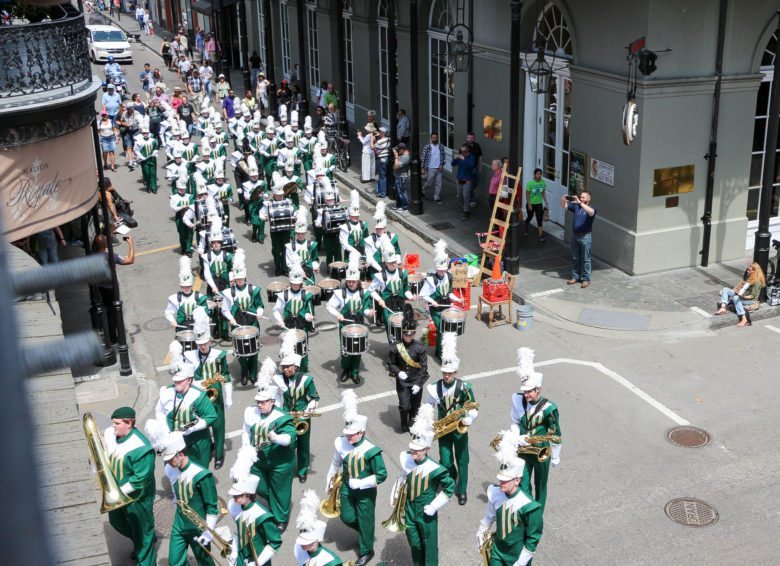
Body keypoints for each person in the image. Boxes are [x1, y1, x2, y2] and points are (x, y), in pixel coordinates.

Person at [325, 391, 387, 566]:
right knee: (346, 516)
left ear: (362, 432)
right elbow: (336, 461)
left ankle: (367, 550)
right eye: (347, 433)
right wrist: (329, 478)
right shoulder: (342, 442)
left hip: (365, 492)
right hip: (345, 487)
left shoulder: (371, 451)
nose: (348, 436)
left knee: (365, 518)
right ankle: (366, 533)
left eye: (352, 433)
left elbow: (382, 475)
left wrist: (361, 483)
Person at [391, 405, 454, 566]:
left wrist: (434, 506)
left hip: (426, 512)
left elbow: (449, 488)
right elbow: (404, 476)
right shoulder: (407, 459)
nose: (413, 453)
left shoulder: (436, 469)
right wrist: (396, 494)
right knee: (415, 544)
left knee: (429, 546)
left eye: (417, 451)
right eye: (412, 449)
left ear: (426, 449)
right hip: (409, 509)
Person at [476, 429, 543, 566]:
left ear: (517, 480)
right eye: (500, 479)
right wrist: (481, 532)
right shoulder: (495, 493)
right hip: (497, 552)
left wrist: (520, 563)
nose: (501, 482)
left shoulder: (529, 506)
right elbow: (489, 516)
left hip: (517, 557)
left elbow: (532, 540)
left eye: (506, 480)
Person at [243, 363, 297, 531]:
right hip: (258, 460)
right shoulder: (251, 412)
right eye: (258, 401)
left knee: (280, 490)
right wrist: (246, 448)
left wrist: (276, 438)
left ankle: (281, 519)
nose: (259, 405)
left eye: (263, 402)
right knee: (259, 486)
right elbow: (246, 430)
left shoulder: (282, 417)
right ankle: (274, 502)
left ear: (272, 402)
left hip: (280, 462)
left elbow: (289, 438)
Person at [426, 333, 478, 507]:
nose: (446, 376)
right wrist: (426, 422)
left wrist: (468, 419)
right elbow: (428, 406)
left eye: (450, 373)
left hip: (459, 428)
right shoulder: (435, 387)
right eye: (444, 372)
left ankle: (462, 490)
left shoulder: (464, 387)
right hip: (443, 430)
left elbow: (472, 407)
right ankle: (451, 477)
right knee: (446, 461)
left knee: (463, 461)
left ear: (455, 372)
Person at [156, 430, 220, 566]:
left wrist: (209, 532)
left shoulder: (202, 475)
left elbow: (212, 506)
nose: (168, 463)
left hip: (198, 526)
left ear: (181, 454)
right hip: (179, 524)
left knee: (205, 562)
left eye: (170, 459)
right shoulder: (170, 469)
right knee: (174, 562)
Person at [102, 406, 157, 566]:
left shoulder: (141, 448)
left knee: (142, 532)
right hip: (117, 493)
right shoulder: (112, 434)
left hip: (138, 498)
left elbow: (138, 481)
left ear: (129, 423)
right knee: (117, 522)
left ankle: (145, 557)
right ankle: (142, 542)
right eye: (113, 423)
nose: (113, 426)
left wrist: (116, 494)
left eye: (117, 423)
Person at [510, 348, 562, 513]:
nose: (526, 394)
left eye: (529, 391)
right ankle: (527, 511)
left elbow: (555, 433)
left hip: (541, 451)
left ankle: (537, 514)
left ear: (538, 389)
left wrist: (555, 455)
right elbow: (514, 422)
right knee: (523, 483)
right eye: (525, 391)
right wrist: (517, 435)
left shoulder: (549, 408)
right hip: (523, 450)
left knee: (541, 485)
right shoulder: (518, 400)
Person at [183, 308, 232, 470]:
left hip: (216, 398)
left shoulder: (219, 356)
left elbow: (226, 376)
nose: (202, 347)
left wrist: (229, 397)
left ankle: (219, 455)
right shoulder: (190, 356)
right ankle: (208, 448)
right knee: (201, 426)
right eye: (199, 344)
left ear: (210, 341)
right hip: (199, 397)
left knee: (218, 427)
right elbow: (187, 378)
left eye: (205, 343)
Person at [154, 358, 217, 469]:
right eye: (175, 380)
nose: (176, 382)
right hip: (174, 440)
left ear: (189, 380)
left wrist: (192, 428)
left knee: (198, 471)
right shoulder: (166, 392)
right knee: (175, 471)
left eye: (180, 380)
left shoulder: (198, 396)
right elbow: (160, 411)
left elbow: (211, 416)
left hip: (197, 441)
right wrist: (165, 430)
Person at [273, 333, 320, 483]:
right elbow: (276, 398)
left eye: (288, 367)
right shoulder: (278, 380)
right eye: (283, 367)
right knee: (286, 444)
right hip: (286, 416)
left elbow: (314, 398)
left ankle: (302, 470)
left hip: (302, 416)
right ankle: (286, 469)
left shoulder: (307, 380)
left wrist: (309, 409)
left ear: (295, 366)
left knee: (303, 444)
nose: (285, 369)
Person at [327, 252, 374, 385]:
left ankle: (354, 372)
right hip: (344, 325)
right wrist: (337, 315)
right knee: (345, 351)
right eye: (349, 281)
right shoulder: (340, 293)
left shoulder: (362, 293)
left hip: (359, 324)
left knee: (357, 350)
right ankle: (346, 370)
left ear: (358, 281)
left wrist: (368, 312)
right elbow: (329, 306)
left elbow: (364, 308)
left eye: (354, 281)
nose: (351, 284)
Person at [220, 251, 264, 385]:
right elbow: (224, 309)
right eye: (237, 279)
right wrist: (231, 319)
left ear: (245, 278)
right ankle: (243, 372)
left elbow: (259, 304)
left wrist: (259, 312)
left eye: (241, 279)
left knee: (253, 351)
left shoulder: (253, 290)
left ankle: (253, 373)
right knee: (240, 352)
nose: (239, 281)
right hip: (237, 324)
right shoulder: (229, 293)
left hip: (252, 323)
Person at [388, 304, 428, 432]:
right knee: (405, 406)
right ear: (402, 333)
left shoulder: (420, 347)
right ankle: (403, 421)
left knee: (415, 407)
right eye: (406, 334)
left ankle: (412, 422)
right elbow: (391, 364)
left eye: (410, 335)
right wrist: (398, 373)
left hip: (416, 380)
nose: (408, 337)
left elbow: (423, 367)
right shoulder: (395, 347)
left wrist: (418, 383)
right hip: (403, 382)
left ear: (414, 334)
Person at [226, 473, 282, 565]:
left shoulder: (262, 515)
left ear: (247, 495)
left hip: (258, 559)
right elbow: (238, 532)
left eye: (237, 495)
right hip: (242, 558)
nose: (233, 498)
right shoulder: (237, 508)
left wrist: (257, 563)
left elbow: (275, 542)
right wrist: (234, 552)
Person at [272, 261, 315, 372]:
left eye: (297, 284)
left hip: (302, 325)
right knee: (289, 349)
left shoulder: (306, 295)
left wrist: (308, 317)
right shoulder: (284, 295)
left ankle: (303, 371)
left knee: (302, 349)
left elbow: (306, 311)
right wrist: (280, 320)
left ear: (301, 284)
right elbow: (276, 310)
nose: (295, 286)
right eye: (293, 283)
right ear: (290, 283)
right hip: (289, 324)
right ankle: (290, 372)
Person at [370, 241, 413, 344]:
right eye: (391, 263)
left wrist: (410, 296)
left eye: (395, 262)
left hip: (401, 304)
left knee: (403, 329)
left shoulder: (402, 273)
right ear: (386, 263)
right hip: (387, 306)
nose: (394, 264)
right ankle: (393, 352)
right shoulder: (381, 276)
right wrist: (379, 299)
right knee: (392, 332)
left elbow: (406, 289)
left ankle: (403, 352)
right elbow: (371, 290)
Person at [293, 490, 344, 565]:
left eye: (308, 542)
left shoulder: (331, 562)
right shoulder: (299, 547)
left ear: (318, 540)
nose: (303, 544)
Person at [560, 190, 597, 288]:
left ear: (588, 199)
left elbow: (591, 212)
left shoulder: (592, 208)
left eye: (583, 197)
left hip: (585, 237)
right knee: (576, 257)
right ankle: (575, 277)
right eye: (580, 197)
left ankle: (586, 279)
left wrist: (579, 202)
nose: (581, 199)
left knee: (586, 259)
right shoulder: (576, 207)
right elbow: (565, 206)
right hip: (575, 235)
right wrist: (563, 200)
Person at [261, 180, 297, 275]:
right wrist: (264, 217)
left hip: (286, 229)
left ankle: (285, 268)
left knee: (286, 248)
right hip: (275, 230)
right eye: (278, 195)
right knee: (276, 249)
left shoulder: (288, 202)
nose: (280, 196)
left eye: (281, 194)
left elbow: (294, 211)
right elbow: (262, 213)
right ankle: (278, 267)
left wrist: (295, 216)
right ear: (274, 194)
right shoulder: (268, 204)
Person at [715, 262, 765, 327]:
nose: (747, 271)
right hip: (742, 295)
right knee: (725, 289)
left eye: (750, 270)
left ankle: (744, 319)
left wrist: (744, 296)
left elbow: (753, 296)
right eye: (748, 269)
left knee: (736, 298)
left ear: (755, 271)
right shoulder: (749, 277)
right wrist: (738, 291)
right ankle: (723, 308)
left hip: (751, 300)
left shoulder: (757, 282)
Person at [164, 257, 209, 329]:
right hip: (181, 327)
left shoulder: (199, 297)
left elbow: (206, 312)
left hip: (197, 327)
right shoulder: (175, 298)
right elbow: (168, 312)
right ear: (180, 286)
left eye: (188, 286)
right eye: (183, 286)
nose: (186, 289)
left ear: (191, 285)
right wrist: (172, 321)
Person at [285, 209, 319, 282]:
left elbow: (314, 258)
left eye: (302, 233)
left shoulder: (312, 245)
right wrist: (299, 270)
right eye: (298, 233)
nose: (300, 235)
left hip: (308, 273)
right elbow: (288, 263)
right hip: (295, 275)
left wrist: (315, 266)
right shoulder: (290, 246)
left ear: (305, 233)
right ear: (296, 233)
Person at [451, 144, 477, 220]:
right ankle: (464, 208)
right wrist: (455, 158)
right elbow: (452, 164)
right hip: (459, 180)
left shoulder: (471, 157)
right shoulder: (460, 156)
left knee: (466, 196)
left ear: (467, 150)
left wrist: (463, 159)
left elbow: (471, 166)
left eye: (464, 151)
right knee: (459, 196)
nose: (462, 152)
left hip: (467, 180)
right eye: (461, 151)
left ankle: (466, 211)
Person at [525, 168, 548, 243]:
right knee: (530, 217)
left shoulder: (543, 183)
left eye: (540, 174)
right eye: (538, 174)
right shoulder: (530, 183)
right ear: (534, 174)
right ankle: (526, 224)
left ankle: (541, 235)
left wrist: (545, 201)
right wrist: (529, 204)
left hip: (539, 204)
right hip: (531, 203)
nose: (539, 175)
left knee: (539, 219)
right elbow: (527, 194)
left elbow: (543, 193)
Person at [134, 126, 159, 193]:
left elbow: (156, 148)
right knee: (147, 174)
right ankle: (148, 186)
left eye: (147, 133)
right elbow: (136, 150)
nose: (146, 134)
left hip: (152, 159)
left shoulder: (153, 140)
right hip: (144, 160)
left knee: (153, 173)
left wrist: (155, 153)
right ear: (142, 134)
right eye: (144, 133)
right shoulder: (139, 142)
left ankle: (154, 187)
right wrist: (142, 157)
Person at [421, 133, 444, 204]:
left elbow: (443, 157)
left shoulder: (440, 146)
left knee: (438, 184)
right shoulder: (427, 147)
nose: (435, 139)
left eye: (436, 138)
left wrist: (442, 165)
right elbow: (423, 157)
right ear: (431, 138)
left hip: (439, 168)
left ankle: (436, 197)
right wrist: (423, 168)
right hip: (431, 168)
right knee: (429, 183)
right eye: (433, 138)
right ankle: (422, 190)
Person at [371, 127, 391, 199]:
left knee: (382, 176)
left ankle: (382, 193)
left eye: (379, 132)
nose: (378, 132)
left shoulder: (380, 141)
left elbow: (372, 146)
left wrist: (372, 137)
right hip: (387, 158)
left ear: (382, 133)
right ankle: (387, 192)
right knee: (387, 176)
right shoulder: (389, 140)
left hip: (381, 159)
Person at [464, 132, 483, 206]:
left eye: (471, 137)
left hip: (476, 167)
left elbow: (480, 156)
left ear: (474, 138)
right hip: (468, 169)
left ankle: (466, 190)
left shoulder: (477, 145)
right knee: (471, 184)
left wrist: (480, 166)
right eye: (469, 137)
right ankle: (471, 200)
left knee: (476, 181)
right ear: (466, 138)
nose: (470, 139)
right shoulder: (464, 146)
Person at [393, 143, 411, 211]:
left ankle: (404, 206)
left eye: (399, 150)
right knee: (398, 191)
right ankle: (399, 205)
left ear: (402, 150)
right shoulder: (403, 155)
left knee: (401, 191)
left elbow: (396, 166)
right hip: (398, 176)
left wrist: (396, 157)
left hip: (401, 176)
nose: (398, 151)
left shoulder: (405, 157)